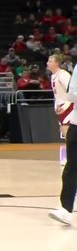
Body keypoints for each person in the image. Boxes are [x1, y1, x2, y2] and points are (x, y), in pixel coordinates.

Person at [49, 62, 77, 225]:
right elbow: (71, 95)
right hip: (75, 122)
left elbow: (71, 94)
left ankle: (66, 210)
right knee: (71, 168)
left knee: (72, 168)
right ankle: (66, 210)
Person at [46, 54, 72, 166]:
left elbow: (72, 91)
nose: (47, 63)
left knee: (68, 133)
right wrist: (56, 105)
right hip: (61, 106)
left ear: (56, 63)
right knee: (65, 133)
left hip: (69, 105)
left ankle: (70, 159)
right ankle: (70, 158)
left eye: (50, 61)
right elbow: (57, 94)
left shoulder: (63, 75)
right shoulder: (53, 76)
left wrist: (66, 105)